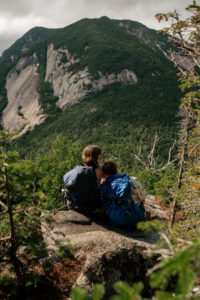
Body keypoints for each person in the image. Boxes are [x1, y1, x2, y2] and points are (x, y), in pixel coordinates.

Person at [101, 160, 145, 230]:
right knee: (141, 202)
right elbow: (143, 198)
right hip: (135, 221)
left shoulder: (104, 185)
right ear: (117, 166)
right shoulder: (132, 180)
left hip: (114, 219)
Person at [63, 145, 103, 215]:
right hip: (91, 208)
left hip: (74, 206)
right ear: (97, 157)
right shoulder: (98, 170)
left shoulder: (78, 169)